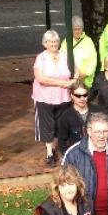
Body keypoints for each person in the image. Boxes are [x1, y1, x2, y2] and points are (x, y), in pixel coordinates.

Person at [32, 30, 76, 166]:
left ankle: (58, 149)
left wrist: (73, 80)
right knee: (47, 126)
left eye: (56, 41)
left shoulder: (65, 55)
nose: (54, 44)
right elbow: (41, 79)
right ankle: (49, 153)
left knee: (60, 125)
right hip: (44, 98)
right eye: (50, 42)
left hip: (63, 97)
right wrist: (62, 83)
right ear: (45, 43)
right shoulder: (41, 58)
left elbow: (76, 70)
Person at [61, 15, 98, 87]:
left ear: (82, 29)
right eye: (75, 29)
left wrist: (85, 73)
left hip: (85, 79)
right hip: (71, 79)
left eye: (79, 29)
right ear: (71, 30)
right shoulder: (66, 42)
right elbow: (62, 59)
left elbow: (93, 60)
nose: (77, 31)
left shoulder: (88, 41)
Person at [56, 82, 92, 155]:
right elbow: (62, 140)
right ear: (72, 95)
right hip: (77, 154)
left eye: (85, 95)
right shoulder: (65, 116)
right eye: (78, 96)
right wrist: (68, 155)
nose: (82, 98)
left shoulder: (97, 111)